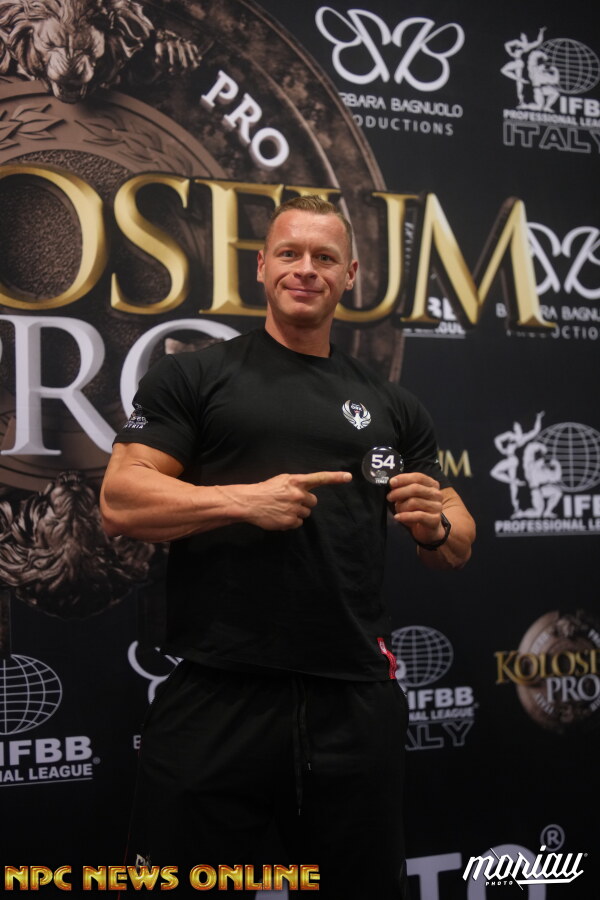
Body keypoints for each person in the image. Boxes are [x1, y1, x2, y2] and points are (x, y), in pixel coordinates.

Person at [100, 196, 475, 898]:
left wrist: (439, 525)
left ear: (350, 275)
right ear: (261, 265)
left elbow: (452, 537)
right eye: (290, 253)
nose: (306, 269)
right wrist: (242, 501)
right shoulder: (195, 376)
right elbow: (121, 500)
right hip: (219, 691)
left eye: (325, 257)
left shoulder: (392, 404)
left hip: (352, 699)